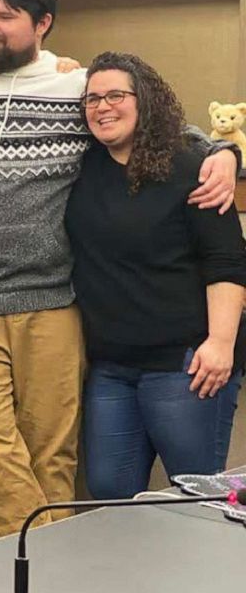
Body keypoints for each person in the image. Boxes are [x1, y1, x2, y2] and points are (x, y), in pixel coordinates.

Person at [0, 0, 239, 539]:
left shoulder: (74, 88)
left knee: (53, 457)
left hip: (51, 300)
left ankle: (44, 571)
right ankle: (45, 565)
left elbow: (158, 128)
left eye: (5, 17)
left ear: (43, 24)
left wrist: (227, 153)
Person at [65, 51, 246, 499]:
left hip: (186, 364)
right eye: (92, 99)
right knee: (110, 498)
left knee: (193, 498)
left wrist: (221, 344)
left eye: (115, 96)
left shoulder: (192, 166)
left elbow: (226, 260)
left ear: (143, 100)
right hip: (111, 367)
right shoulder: (82, 168)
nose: (102, 107)